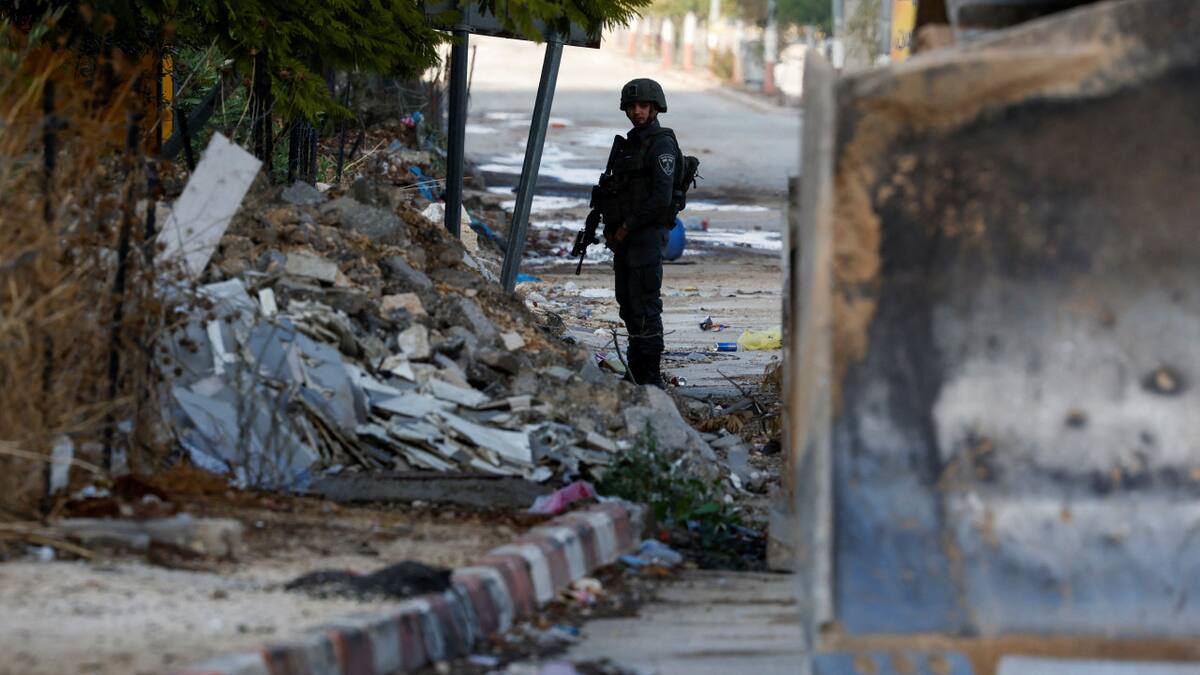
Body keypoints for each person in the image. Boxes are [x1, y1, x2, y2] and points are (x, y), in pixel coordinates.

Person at [599, 78, 682, 389]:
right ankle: (635, 373)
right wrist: (611, 226)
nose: (637, 111)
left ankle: (649, 377)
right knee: (628, 303)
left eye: (644, 106)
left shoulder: (662, 144)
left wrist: (626, 227)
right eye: (632, 106)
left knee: (645, 304)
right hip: (626, 238)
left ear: (655, 108)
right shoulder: (629, 144)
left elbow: (661, 198)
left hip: (646, 235)